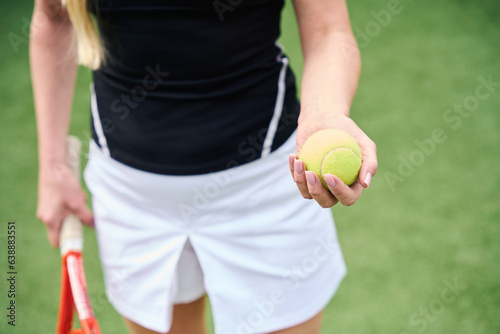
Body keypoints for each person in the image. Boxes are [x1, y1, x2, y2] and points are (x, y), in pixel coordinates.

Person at [31, 0, 377, 333]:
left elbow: (329, 29)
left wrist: (325, 113)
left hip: (268, 185)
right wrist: (52, 167)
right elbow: (54, 18)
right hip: (132, 197)